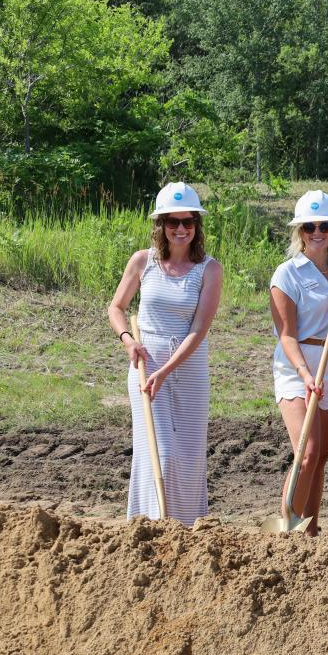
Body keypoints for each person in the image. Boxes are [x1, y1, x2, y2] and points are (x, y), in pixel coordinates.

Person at [107, 182, 223, 526]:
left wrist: (168, 370)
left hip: (186, 367)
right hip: (146, 365)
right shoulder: (143, 262)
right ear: (161, 225)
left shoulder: (210, 269)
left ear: (197, 226)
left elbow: (199, 329)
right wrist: (129, 339)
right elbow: (116, 307)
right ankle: (150, 525)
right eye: (173, 222)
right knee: (158, 451)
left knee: (186, 455)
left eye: (188, 222)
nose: (181, 229)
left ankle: (187, 527)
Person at [269, 190, 328, 536]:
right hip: (299, 366)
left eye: (324, 225)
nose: (317, 232)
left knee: (321, 456)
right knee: (306, 452)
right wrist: (306, 375)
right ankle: (286, 530)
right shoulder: (287, 275)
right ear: (301, 232)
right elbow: (287, 335)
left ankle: (311, 531)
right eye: (310, 227)